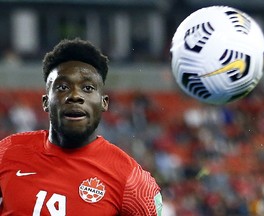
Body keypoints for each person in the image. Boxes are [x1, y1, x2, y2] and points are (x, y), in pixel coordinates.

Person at [0, 38, 162, 215]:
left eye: (87, 88)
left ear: (104, 103)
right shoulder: (7, 152)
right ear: (46, 102)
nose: (75, 95)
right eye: (62, 87)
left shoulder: (132, 182)